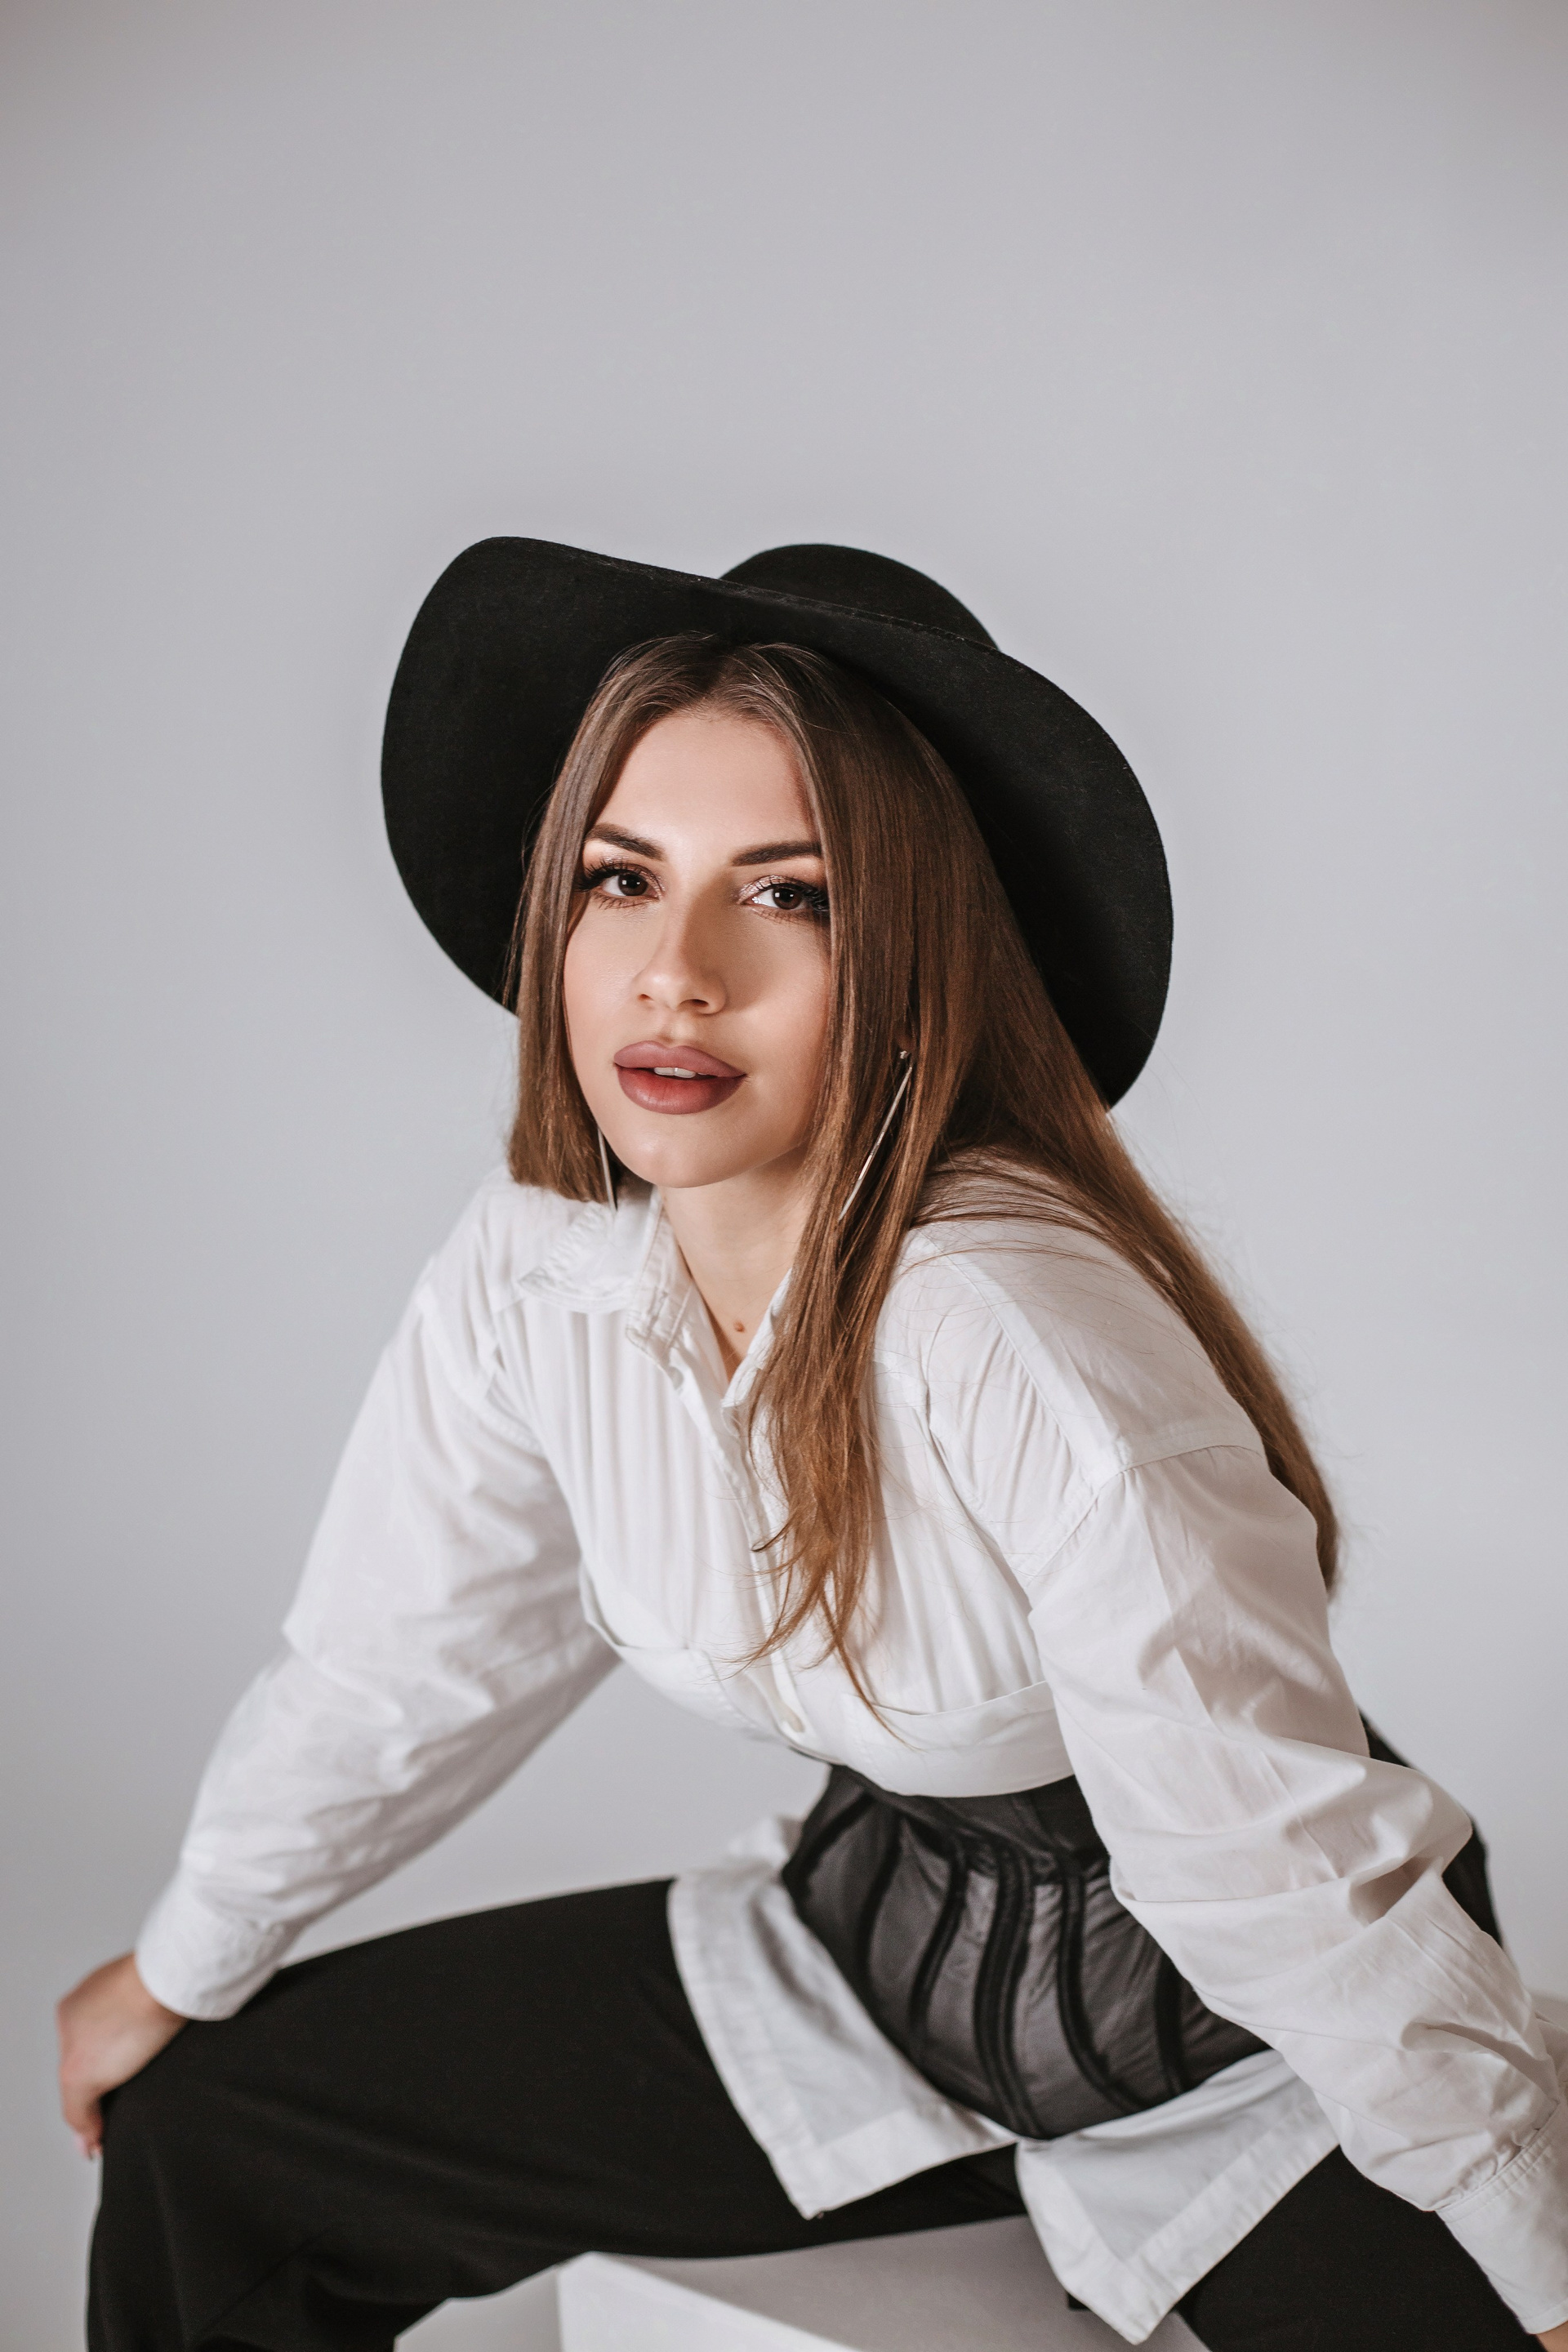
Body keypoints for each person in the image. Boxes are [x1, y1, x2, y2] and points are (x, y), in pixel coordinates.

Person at [58, 541, 1568, 2350]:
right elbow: (407, 1664)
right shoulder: (539, 1264)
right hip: (860, 1981)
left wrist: (1522, 2225)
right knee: (215, 2141)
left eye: (788, 896)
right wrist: (185, 1960)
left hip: (1247, 2048)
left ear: (916, 954)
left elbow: (1256, 1862)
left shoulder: (1011, 1329)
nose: (674, 976)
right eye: (623, 878)